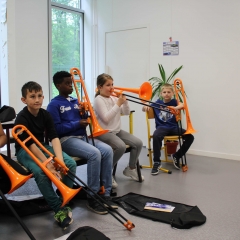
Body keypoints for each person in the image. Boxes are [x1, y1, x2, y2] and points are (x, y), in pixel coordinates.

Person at [47, 71, 117, 215]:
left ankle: (106, 193)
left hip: (82, 137)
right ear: (58, 85)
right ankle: (92, 196)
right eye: (67, 83)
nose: (70, 86)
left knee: (108, 150)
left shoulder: (75, 101)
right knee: (94, 153)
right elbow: (56, 130)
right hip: (66, 140)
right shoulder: (54, 104)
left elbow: (85, 120)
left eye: (71, 83)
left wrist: (85, 114)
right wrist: (77, 123)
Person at [14, 81, 77, 230]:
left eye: (40, 96)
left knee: (70, 164)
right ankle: (58, 210)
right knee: (41, 172)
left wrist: (60, 160)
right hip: (25, 150)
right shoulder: (22, 118)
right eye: (32, 96)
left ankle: (63, 200)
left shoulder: (45, 114)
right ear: (24, 100)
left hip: (42, 146)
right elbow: (30, 145)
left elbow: (54, 137)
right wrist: (47, 163)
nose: (37, 99)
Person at [94, 73, 144, 186]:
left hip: (116, 131)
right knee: (120, 146)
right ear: (100, 87)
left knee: (138, 143)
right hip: (103, 132)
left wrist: (125, 102)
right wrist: (118, 103)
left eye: (112, 84)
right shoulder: (98, 100)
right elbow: (106, 119)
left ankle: (131, 169)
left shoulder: (113, 98)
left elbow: (126, 113)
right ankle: (106, 172)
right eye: (108, 85)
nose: (112, 88)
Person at [142, 83, 194, 175]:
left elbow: (183, 105)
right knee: (156, 135)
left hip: (174, 127)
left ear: (172, 93)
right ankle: (157, 162)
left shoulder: (174, 102)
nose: (166, 94)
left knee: (190, 137)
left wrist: (175, 108)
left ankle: (176, 155)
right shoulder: (157, 103)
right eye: (164, 92)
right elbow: (144, 108)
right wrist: (145, 106)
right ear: (161, 94)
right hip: (162, 128)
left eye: (169, 92)